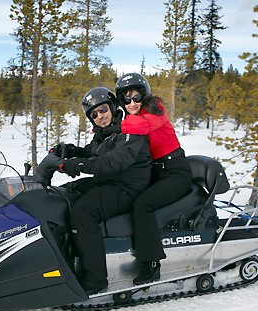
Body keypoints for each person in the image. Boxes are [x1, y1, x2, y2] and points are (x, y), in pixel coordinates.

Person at [50, 87, 151, 294]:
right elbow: (94, 152)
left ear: (113, 107)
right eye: (93, 114)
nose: (100, 117)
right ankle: (69, 256)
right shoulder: (106, 133)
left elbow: (116, 160)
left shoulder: (130, 128)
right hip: (109, 181)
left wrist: (81, 165)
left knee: (83, 213)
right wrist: (72, 151)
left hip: (127, 187)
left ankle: (95, 278)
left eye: (103, 110)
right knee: (65, 193)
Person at [100, 73, 192, 285]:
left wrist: (113, 128)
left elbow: (144, 126)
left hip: (175, 170)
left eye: (136, 97)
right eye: (126, 99)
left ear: (145, 96)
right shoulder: (130, 119)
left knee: (143, 205)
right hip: (156, 172)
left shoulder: (155, 107)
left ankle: (151, 264)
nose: (132, 103)